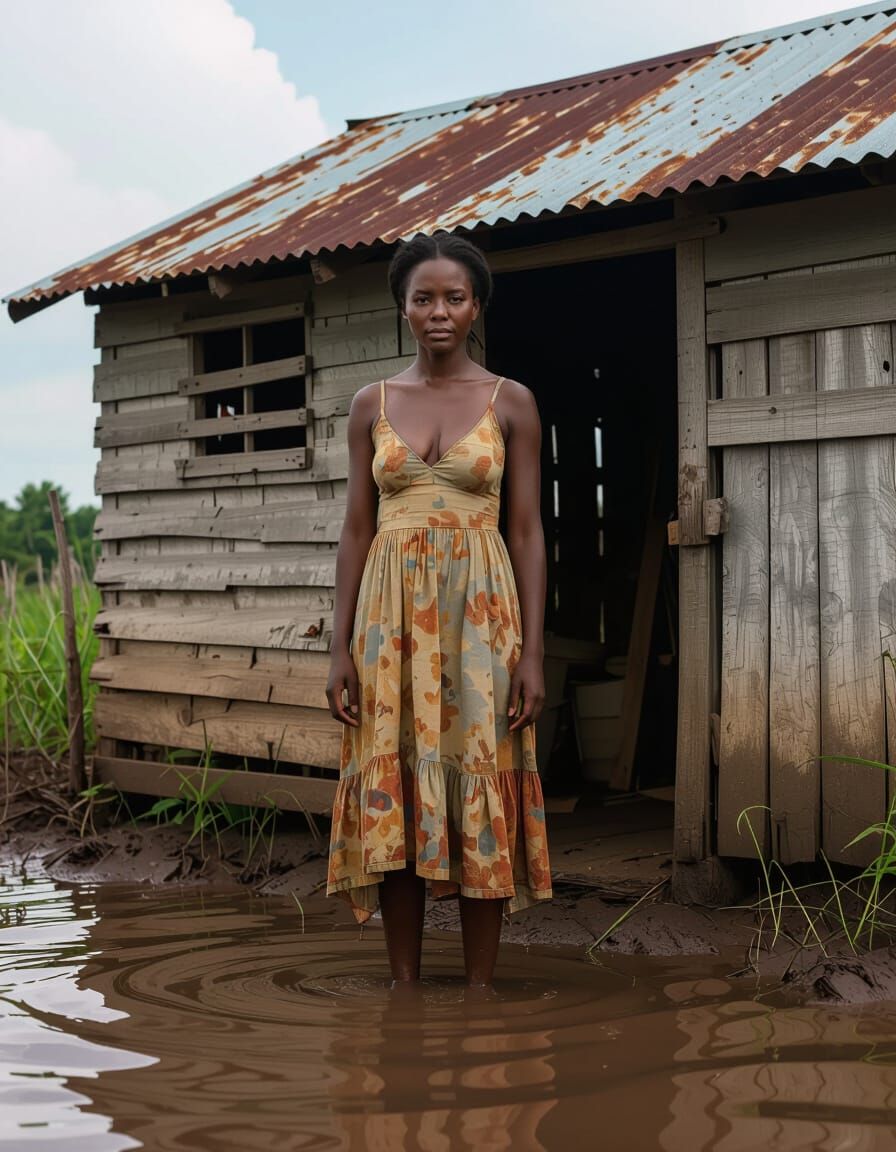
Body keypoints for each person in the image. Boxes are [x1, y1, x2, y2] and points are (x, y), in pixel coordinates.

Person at [325, 232, 552, 988]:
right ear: (403, 308)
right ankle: (404, 987)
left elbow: (525, 530)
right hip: (387, 624)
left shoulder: (511, 401)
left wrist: (534, 654)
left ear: (476, 305)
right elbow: (358, 528)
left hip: (481, 619)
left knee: (477, 770)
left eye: (454, 297)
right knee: (395, 777)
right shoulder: (371, 405)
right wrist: (337, 649)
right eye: (424, 298)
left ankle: (481, 989)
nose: (439, 311)